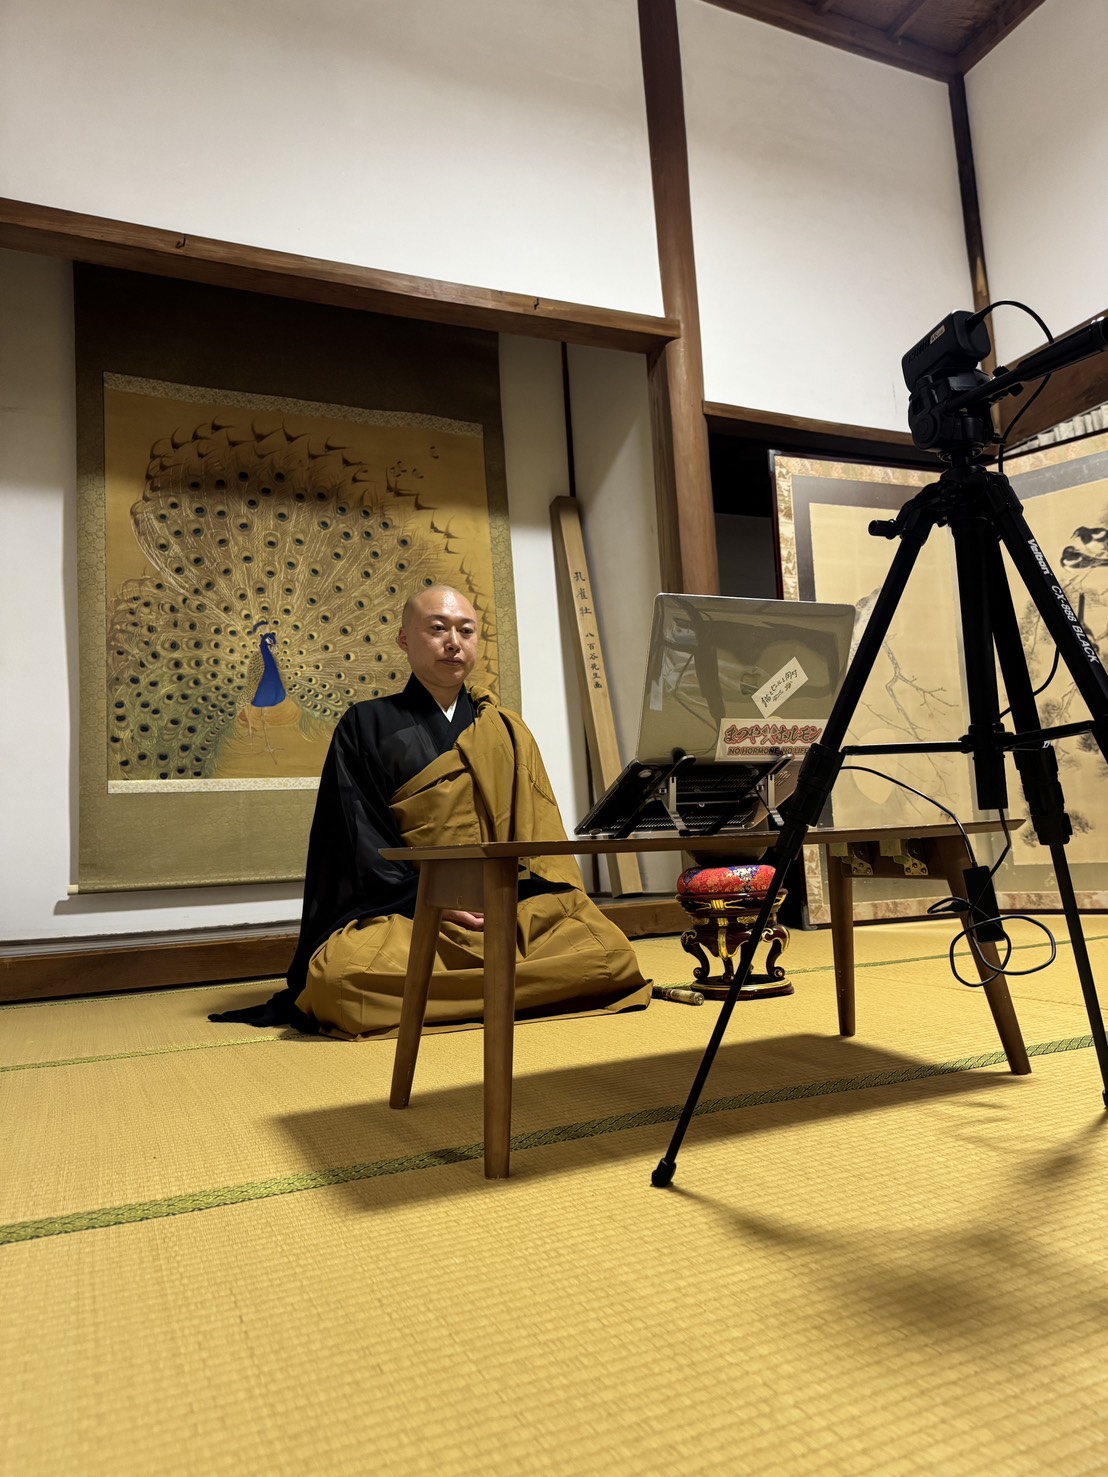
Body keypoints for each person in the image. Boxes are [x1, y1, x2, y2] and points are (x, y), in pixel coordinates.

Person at [211, 585, 651, 1037]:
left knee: (611, 953)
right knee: (340, 981)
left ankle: (457, 994)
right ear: (405, 640)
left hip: (507, 905)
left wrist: (505, 900)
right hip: (413, 911)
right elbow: (358, 840)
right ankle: (519, 988)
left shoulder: (505, 728)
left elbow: (537, 843)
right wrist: (438, 901)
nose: (453, 642)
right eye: (438, 629)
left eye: (466, 631)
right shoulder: (366, 724)